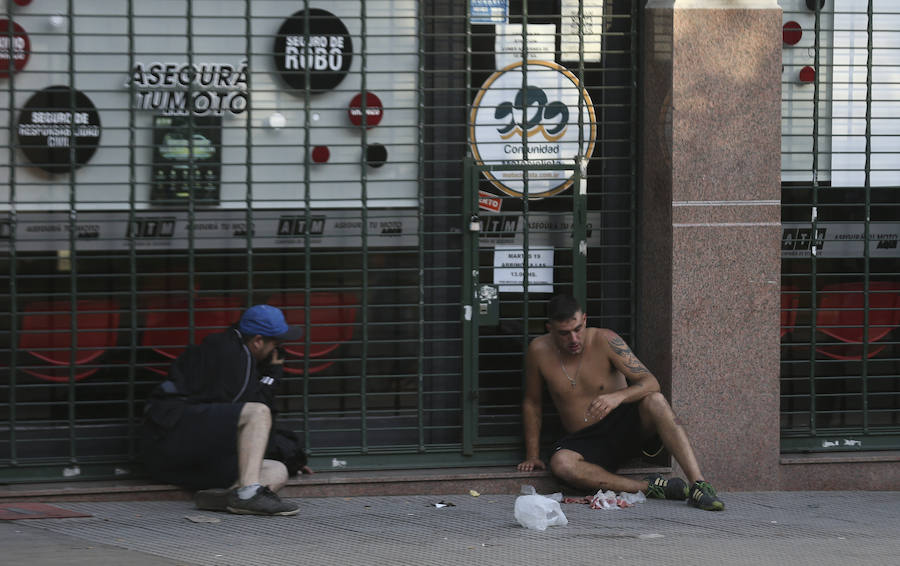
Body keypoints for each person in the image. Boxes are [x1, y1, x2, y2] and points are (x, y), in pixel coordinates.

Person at [516, 294, 724, 511]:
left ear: (585, 320)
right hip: (585, 441)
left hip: (622, 427)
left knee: (656, 400)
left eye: (577, 329)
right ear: (550, 328)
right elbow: (532, 403)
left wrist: (617, 397)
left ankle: (699, 485)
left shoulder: (605, 340)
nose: (574, 339)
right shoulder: (538, 351)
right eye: (564, 333)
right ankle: (650, 487)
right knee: (561, 464)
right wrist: (532, 454)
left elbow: (651, 382)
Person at [142, 304, 313, 516]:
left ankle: (227, 497)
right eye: (276, 344)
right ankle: (248, 494)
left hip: (199, 457)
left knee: (278, 470)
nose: (278, 352)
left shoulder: (243, 355)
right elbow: (253, 414)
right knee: (257, 412)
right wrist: (272, 375)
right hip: (172, 444)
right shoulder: (231, 354)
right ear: (258, 341)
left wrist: (289, 456)